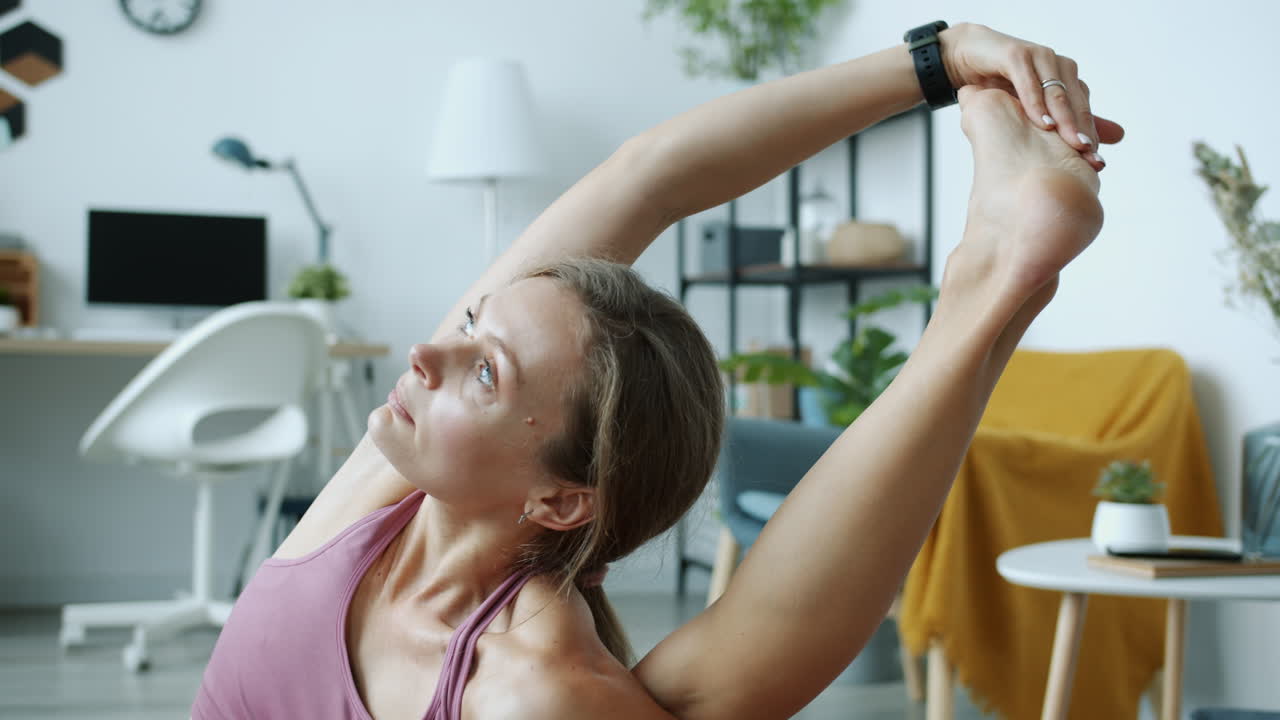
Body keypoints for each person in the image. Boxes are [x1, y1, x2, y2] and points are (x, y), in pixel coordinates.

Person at [192, 21, 1124, 720]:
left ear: (560, 500)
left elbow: (654, 180)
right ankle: (993, 283)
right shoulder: (389, 493)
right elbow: (650, 176)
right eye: (474, 324)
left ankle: (994, 282)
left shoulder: (530, 685)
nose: (429, 353)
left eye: (487, 373)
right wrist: (939, 56)